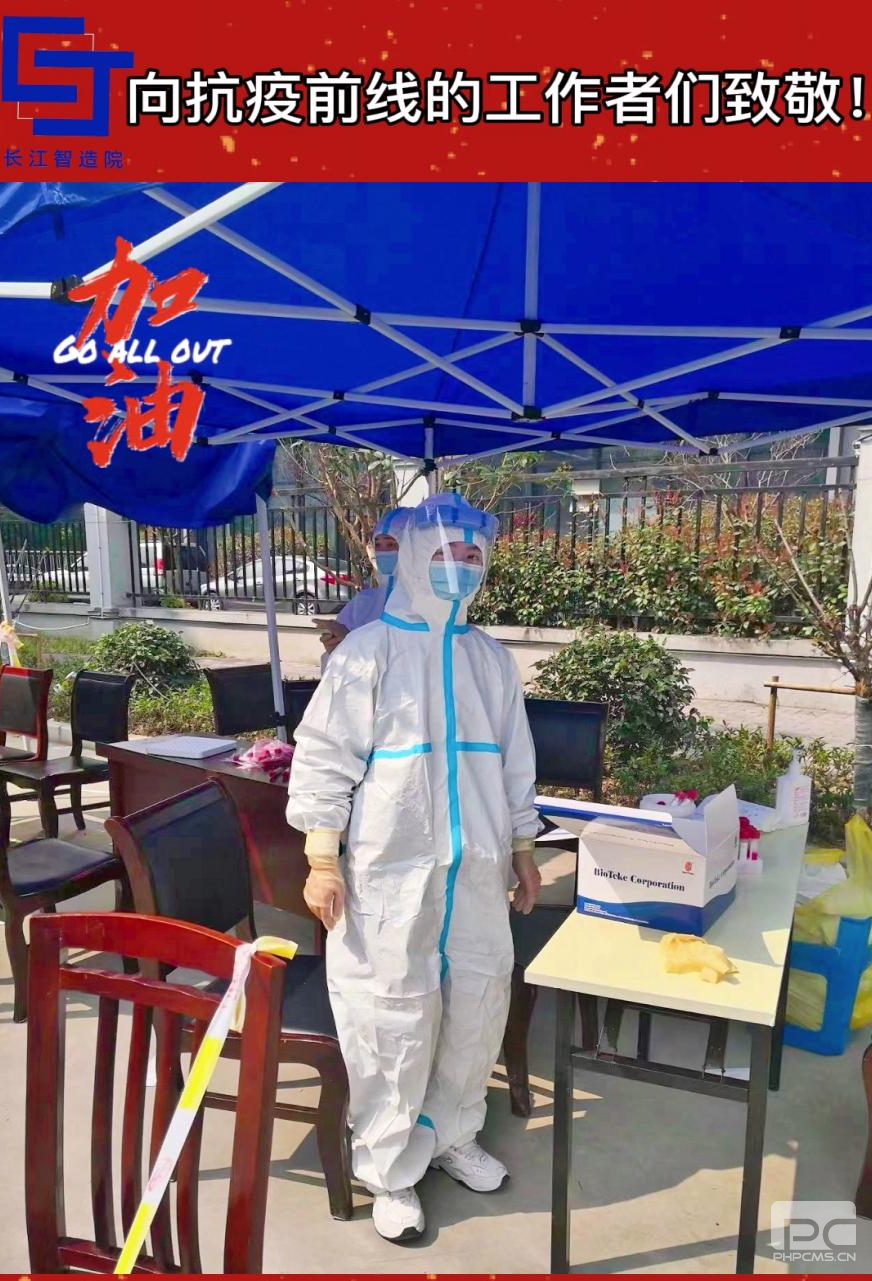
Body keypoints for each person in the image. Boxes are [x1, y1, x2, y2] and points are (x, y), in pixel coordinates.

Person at [287, 494, 540, 1244]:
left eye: (473, 555)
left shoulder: (489, 658)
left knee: (478, 1001)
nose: (461, 567)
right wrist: (321, 857)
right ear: (414, 556)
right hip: (389, 873)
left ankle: (454, 1131)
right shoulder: (367, 652)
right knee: (391, 1012)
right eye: (446, 553)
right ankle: (390, 1167)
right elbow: (324, 758)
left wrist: (524, 849)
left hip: (479, 869)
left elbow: (516, 763)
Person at [317, 507, 410, 657]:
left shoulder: (428, 606)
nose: (383, 552)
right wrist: (335, 649)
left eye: (391, 544)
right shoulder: (362, 604)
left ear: (411, 548)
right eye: (378, 545)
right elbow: (339, 666)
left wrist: (352, 641)